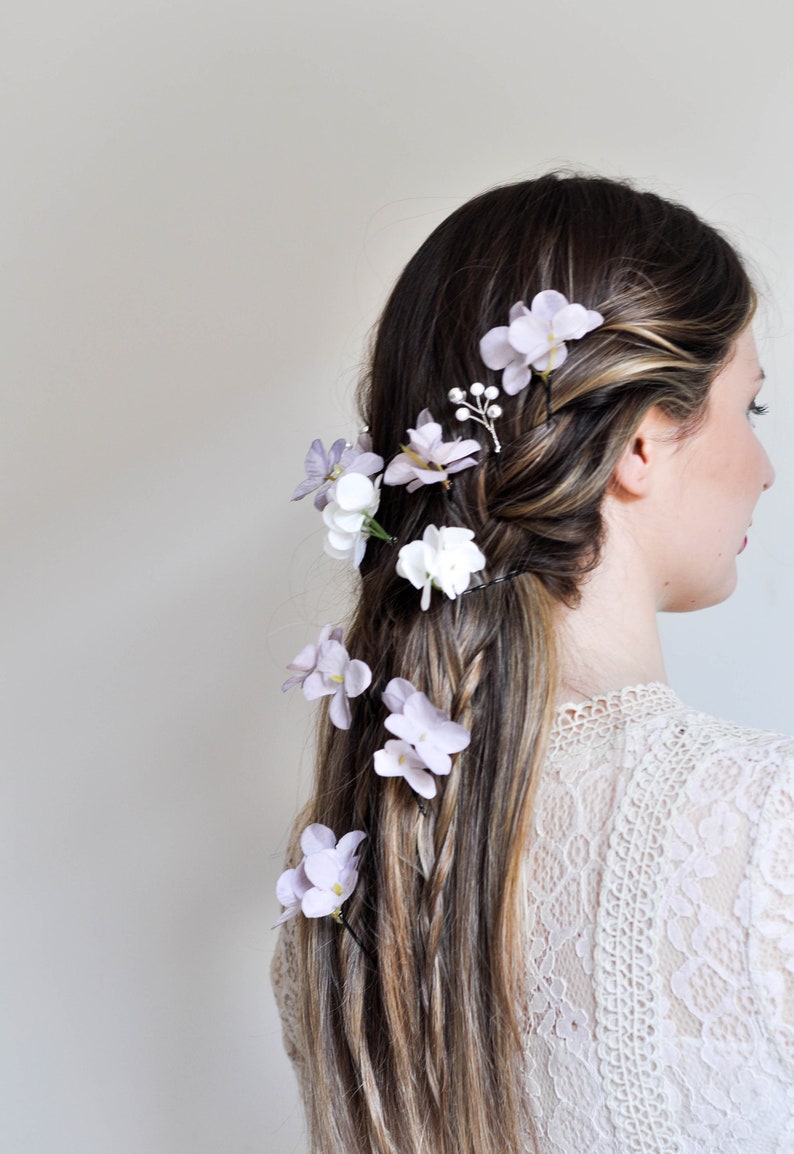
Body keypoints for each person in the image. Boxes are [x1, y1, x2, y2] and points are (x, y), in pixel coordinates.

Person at [271, 173, 794, 1153]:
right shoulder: (767, 829)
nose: (763, 467)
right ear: (641, 439)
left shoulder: (348, 862)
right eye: (749, 411)